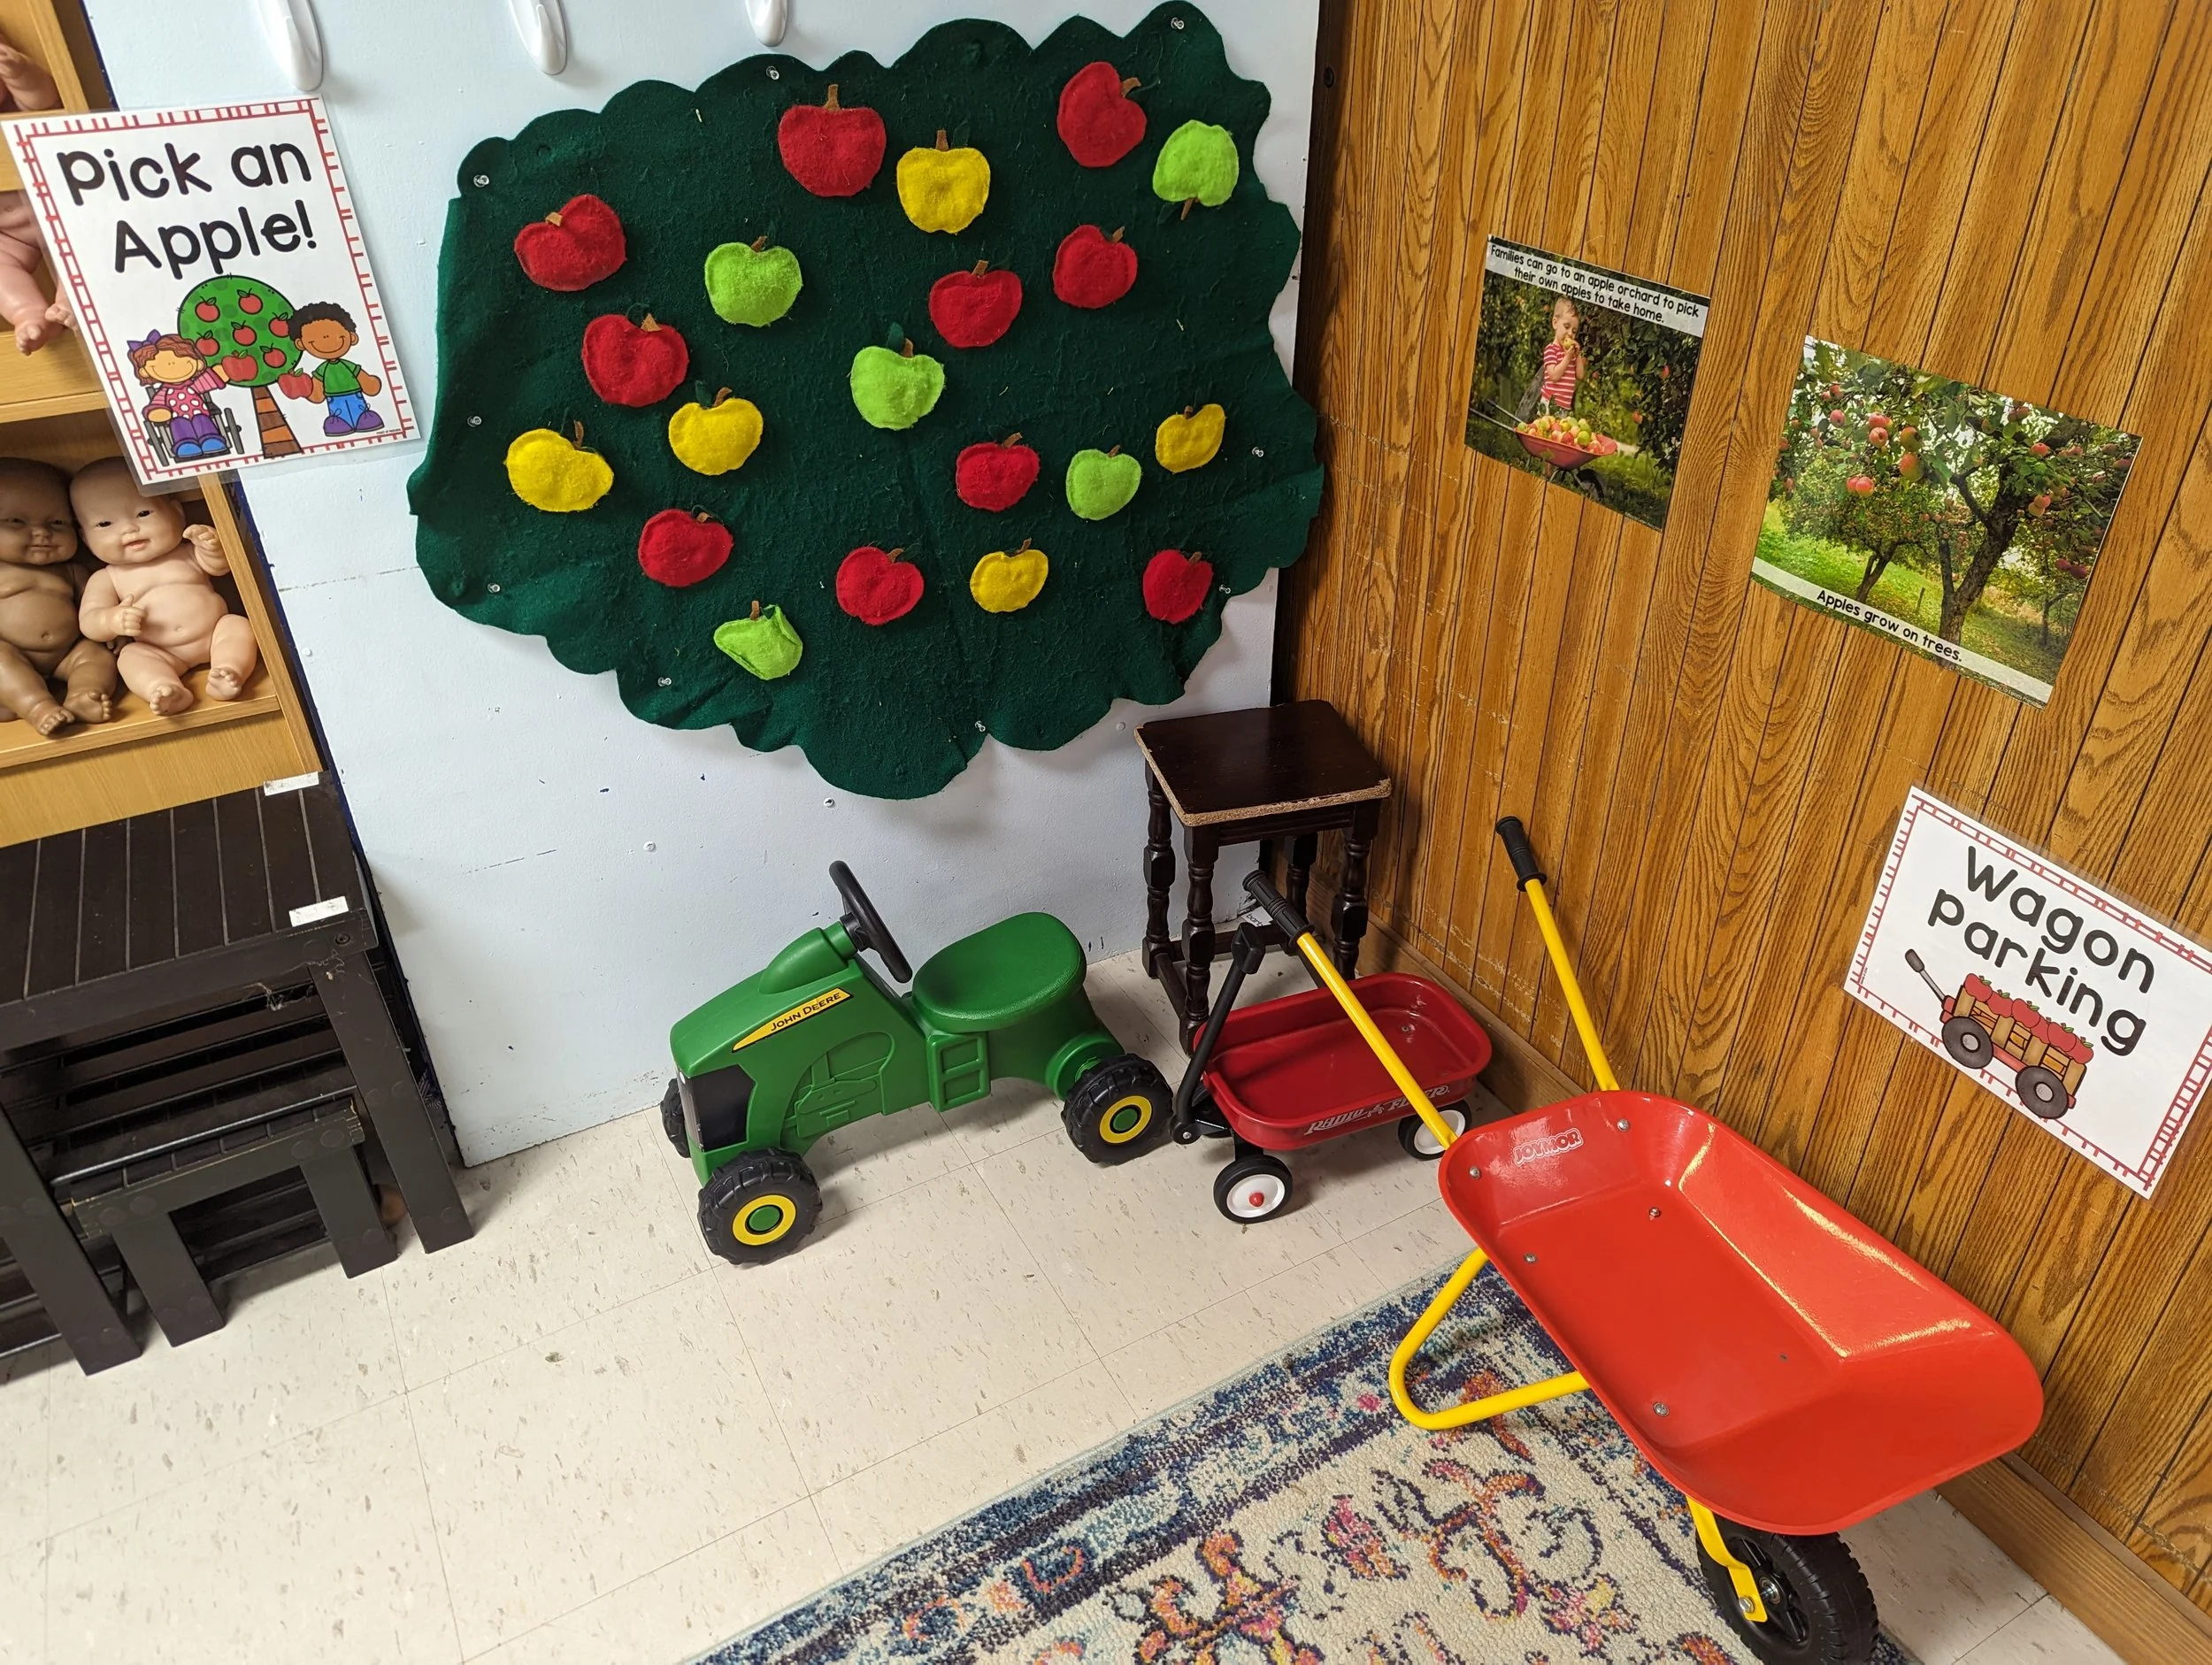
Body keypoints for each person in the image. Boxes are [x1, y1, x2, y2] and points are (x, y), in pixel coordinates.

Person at [128, 333, 232, 460]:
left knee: (202, 420)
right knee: (179, 425)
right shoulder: (164, 392)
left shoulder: (193, 385)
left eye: (183, 359)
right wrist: (157, 411)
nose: (171, 365)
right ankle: (186, 444)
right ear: (145, 372)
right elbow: (157, 404)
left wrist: (218, 374)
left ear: (197, 362)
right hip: (177, 417)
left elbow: (208, 381)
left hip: (200, 413)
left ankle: (211, 440)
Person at [289, 302, 386, 435]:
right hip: (335, 402)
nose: (325, 338)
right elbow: (317, 396)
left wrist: (372, 383)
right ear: (301, 344)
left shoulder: (349, 366)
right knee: (338, 421)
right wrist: (301, 389)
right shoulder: (322, 371)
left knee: (363, 416)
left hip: (356, 398)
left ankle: (363, 419)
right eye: (314, 339)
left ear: (352, 337)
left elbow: (369, 384)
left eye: (336, 335)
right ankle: (340, 422)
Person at [1516, 295, 1584, 420]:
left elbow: (1580, 375)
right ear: (1555, 323)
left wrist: (1577, 355)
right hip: (1549, 404)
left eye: (1574, 331)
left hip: (1564, 407)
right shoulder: (1551, 350)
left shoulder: (1570, 353)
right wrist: (1567, 359)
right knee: (1545, 431)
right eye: (1567, 327)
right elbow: (1554, 376)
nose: (1570, 334)